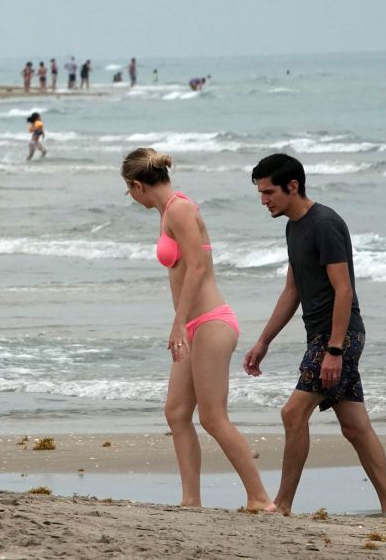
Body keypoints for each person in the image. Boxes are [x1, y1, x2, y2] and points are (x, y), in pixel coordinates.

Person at [244, 154, 386, 516]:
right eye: (260, 192)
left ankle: (282, 505)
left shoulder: (325, 224)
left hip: (338, 336)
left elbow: (343, 290)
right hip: (324, 336)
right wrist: (263, 341)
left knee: (292, 413)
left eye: (268, 192)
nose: (263, 200)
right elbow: (292, 290)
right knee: (354, 425)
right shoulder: (293, 227)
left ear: (293, 186)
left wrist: (334, 349)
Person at [121, 149, 275, 511]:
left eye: (128, 191)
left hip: (210, 323)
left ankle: (259, 498)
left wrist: (178, 323)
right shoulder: (168, 212)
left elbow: (199, 268)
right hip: (193, 325)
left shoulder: (180, 209)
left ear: (136, 185)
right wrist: (182, 324)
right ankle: (191, 500)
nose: (130, 197)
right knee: (176, 413)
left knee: (212, 417)